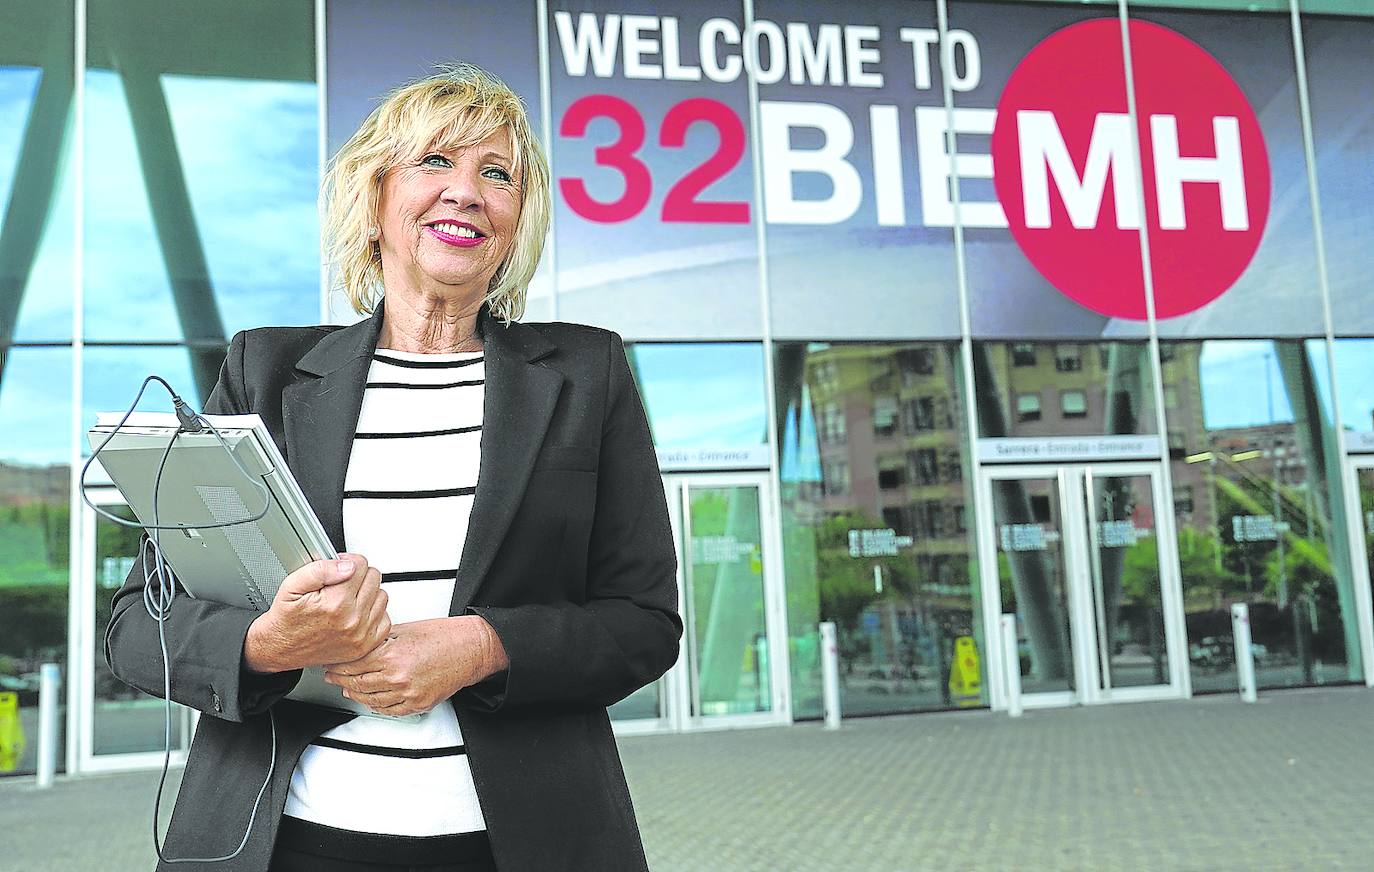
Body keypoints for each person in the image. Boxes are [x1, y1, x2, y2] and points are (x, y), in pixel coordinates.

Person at [104, 63, 682, 872]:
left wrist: (482, 646)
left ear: (518, 221)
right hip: (282, 842)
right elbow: (140, 623)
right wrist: (269, 642)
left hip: (523, 843)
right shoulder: (265, 372)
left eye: (497, 174)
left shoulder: (588, 375)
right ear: (374, 201)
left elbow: (643, 622)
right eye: (434, 162)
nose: (466, 192)